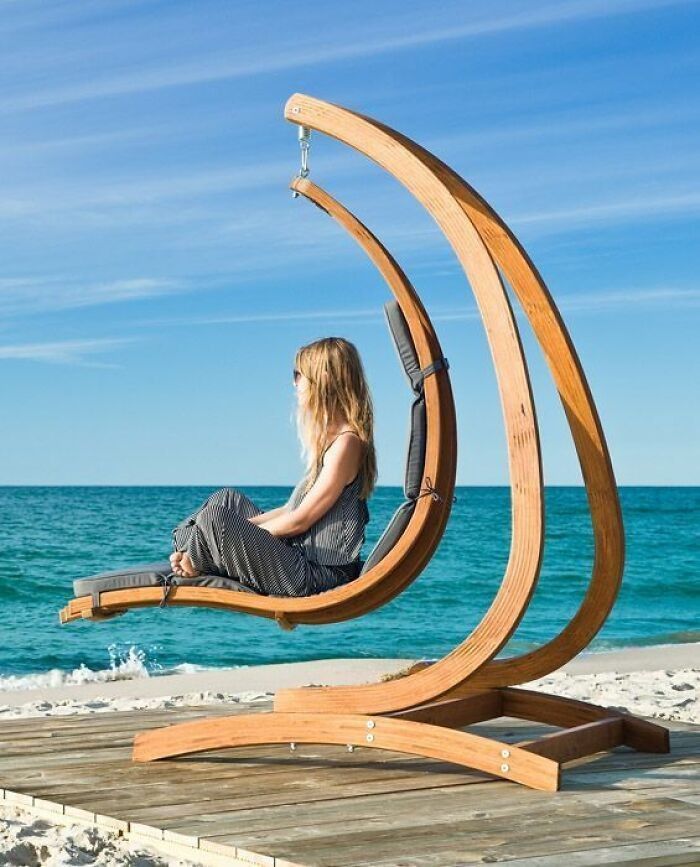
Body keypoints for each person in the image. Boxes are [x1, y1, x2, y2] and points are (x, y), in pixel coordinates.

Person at [168, 337, 377, 597]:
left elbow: (299, 521)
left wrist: (231, 534)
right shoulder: (333, 444)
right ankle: (194, 552)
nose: (294, 383)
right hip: (298, 556)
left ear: (323, 378)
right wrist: (236, 532)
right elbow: (291, 510)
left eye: (298, 374)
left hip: (315, 575)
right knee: (225, 500)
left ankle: (195, 558)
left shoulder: (347, 445)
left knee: (215, 519)